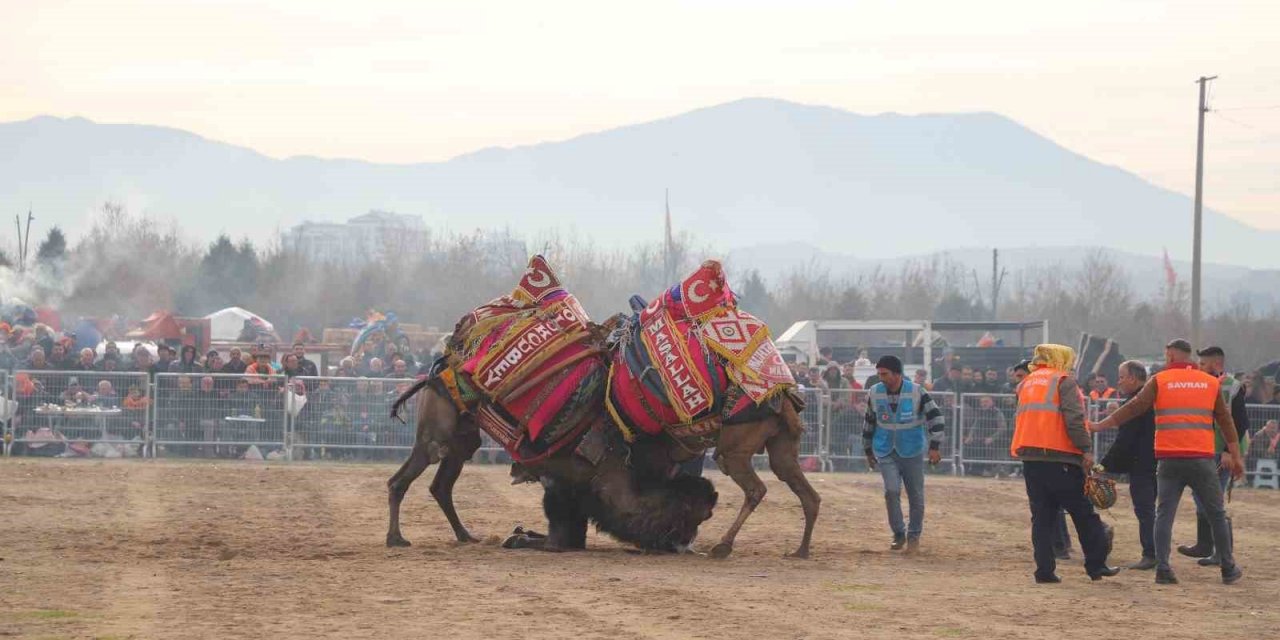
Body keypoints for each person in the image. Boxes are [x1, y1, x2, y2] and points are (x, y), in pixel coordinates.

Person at [1090, 339, 1244, 585]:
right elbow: (1226, 421)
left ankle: (1163, 568)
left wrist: (1099, 425)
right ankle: (1227, 566)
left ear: (1171, 356)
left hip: (1169, 459)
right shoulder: (1210, 382)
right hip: (1201, 459)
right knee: (1216, 513)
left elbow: (1133, 408)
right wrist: (1236, 456)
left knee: (1164, 514)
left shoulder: (1160, 381)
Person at [1011, 344, 1117, 583]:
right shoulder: (1063, 381)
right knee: (1084, 514)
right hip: (1062, 458)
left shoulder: (1025, 383)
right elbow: (1074, 418)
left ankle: (1044, 571)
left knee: (1042, 517)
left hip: (1031, 458)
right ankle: (1096, 565)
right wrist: (1085, 449)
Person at [862, 355, 946, 554]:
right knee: (891, 491)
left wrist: (934, 447)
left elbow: (937, 418)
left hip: (912, 451)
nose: (881, 378)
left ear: (897, 374)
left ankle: (914, 536)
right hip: (885, 450)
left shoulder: (917, 391)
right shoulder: (874, 392)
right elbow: (869, 422)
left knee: (916, 495)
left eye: (884, 374)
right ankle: (898, 533)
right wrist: (867, 450)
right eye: (879, 374)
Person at [1177, 346, 1250, 568]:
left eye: (1202, 364)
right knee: (1202, 496)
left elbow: (1240, 422)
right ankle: (1206, 545)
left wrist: (1230, 452)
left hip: (1222, 452)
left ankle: (1220, 551)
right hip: (1206, 449)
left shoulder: (1231, 387)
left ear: (1216, 365)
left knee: (1212, 501)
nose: (1198, 367)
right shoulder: (1206, 384)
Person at [1099, 360, 1158, 570]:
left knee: (1145, 510)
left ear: (1133, 378)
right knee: (1159, 510)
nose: (1119, 381)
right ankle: (1158, 553)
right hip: (1162, 460)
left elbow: (1125, 439)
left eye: (1122, 377)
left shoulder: (1136, 402)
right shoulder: (1152, 398)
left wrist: (1104, 466)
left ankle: (1151, 554)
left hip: (1144, 463)